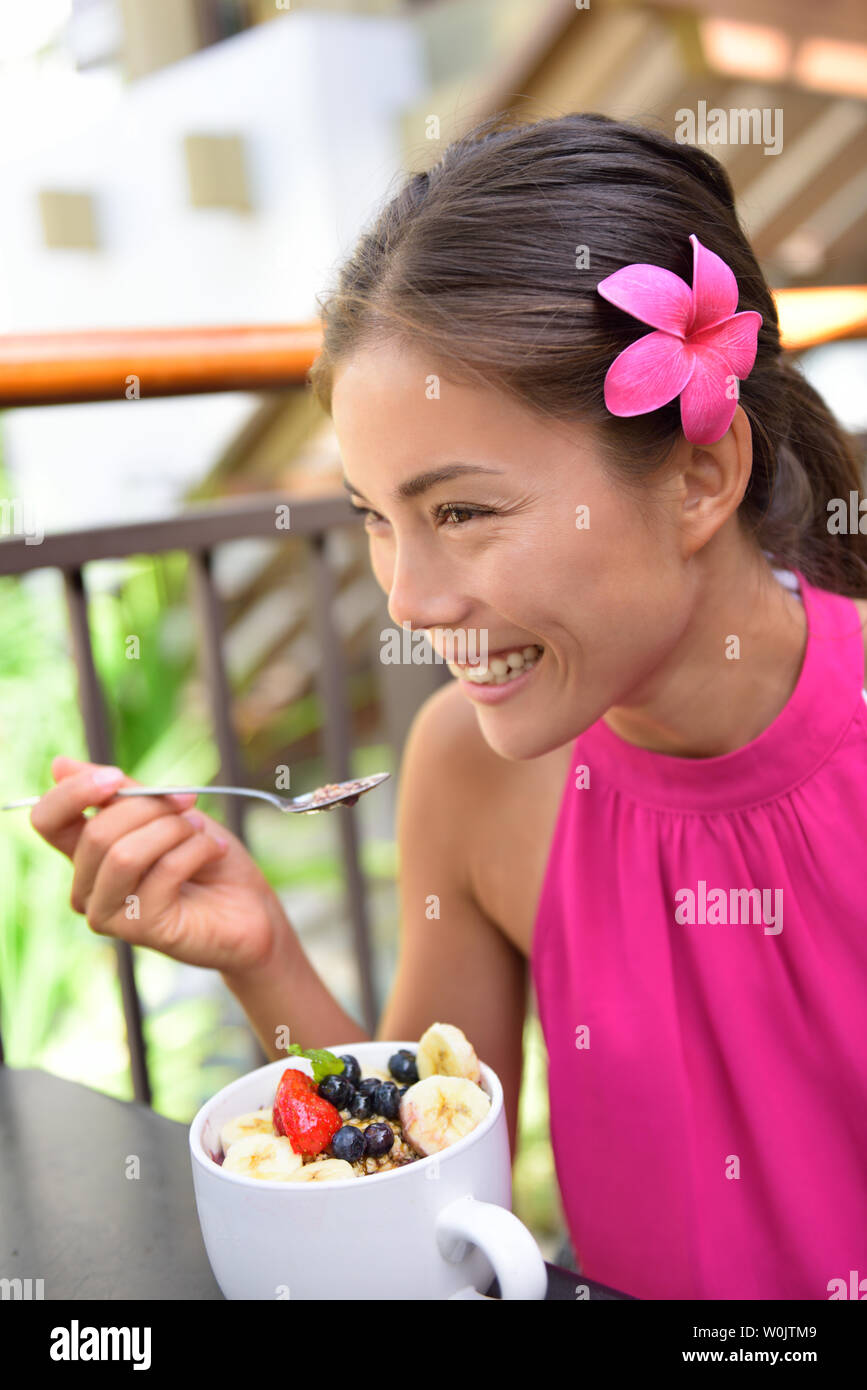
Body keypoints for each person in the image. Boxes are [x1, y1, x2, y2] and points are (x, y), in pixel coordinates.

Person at [30, 112, 867, 1300]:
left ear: (698, 475)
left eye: (463, 511)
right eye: (374, 517)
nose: (410, 598)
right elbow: (421, 1214)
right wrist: (261, 956)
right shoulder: (474, 770)